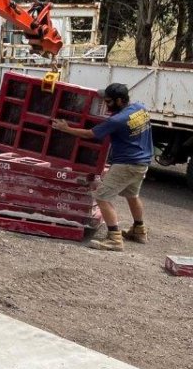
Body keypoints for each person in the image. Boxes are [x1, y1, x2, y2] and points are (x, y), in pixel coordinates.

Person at [51, 83, 153, 251]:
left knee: (102, 197)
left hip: (126, 164)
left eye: (108, 101)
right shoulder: (140, 108)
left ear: (119, 101)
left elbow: (90, 134)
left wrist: (66, 128)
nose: (106, 105)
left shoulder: (117, 120)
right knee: (132, 195)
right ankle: (139, 230)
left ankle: (114, 239)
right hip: (142, 163)